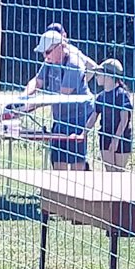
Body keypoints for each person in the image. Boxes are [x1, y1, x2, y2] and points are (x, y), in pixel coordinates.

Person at [23, 29, 92, 170]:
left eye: (47, 52)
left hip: (78, 117)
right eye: (43, 52)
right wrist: (24, 98)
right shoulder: (49, 61)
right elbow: (37, 81)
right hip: (60, 117)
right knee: (58, 160)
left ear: (59, 47)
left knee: (76, 162)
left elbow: (62, 95)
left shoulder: (74, 64)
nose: (45, 56)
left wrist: (33, 104)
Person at [85, 58, 134, 171]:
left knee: (119, 172)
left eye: (99, 74)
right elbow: (93, 117)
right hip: (105, 137)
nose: (96, 77)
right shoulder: (101, 96)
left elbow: (124, 120)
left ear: (108, 75)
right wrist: (84, 133)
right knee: (110, 172)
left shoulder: (122, 95)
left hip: (122, 138)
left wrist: (116, 139)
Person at [44, 22, 100, 86]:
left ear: (64, 36)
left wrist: (77, 83)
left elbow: (92, 66)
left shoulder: (72, 51)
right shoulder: (49, 51)